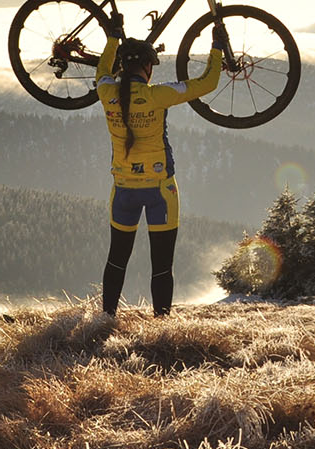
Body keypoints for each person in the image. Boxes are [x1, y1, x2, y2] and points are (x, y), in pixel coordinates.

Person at [94, 21, 225, 317]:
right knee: (162, 265)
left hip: (123, 191)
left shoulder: (105, 92)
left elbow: (101, 71)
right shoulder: (158, 96)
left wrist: (113, 38)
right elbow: (207, 83)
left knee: (117, 259)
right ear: (147, 68)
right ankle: (162, 326)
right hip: (160, 191)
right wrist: (216, 46)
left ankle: (105, 321)